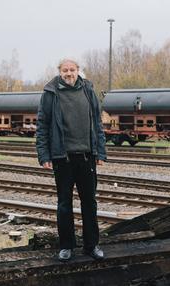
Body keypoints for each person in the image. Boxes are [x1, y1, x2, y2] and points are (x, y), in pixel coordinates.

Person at [36, 59, 107, 262]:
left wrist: (100, 152)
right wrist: (44, 155)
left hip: (86, 157)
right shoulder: (51, 93)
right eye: (65, 70)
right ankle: (66, 246)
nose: (69, 73)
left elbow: (97, 122)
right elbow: (42, 125)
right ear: (59, 72)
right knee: (64, 204)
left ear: (78, 71)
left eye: (72, 70)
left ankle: (91, 246)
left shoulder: (88, 90)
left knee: (90, 203)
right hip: (62, 158)